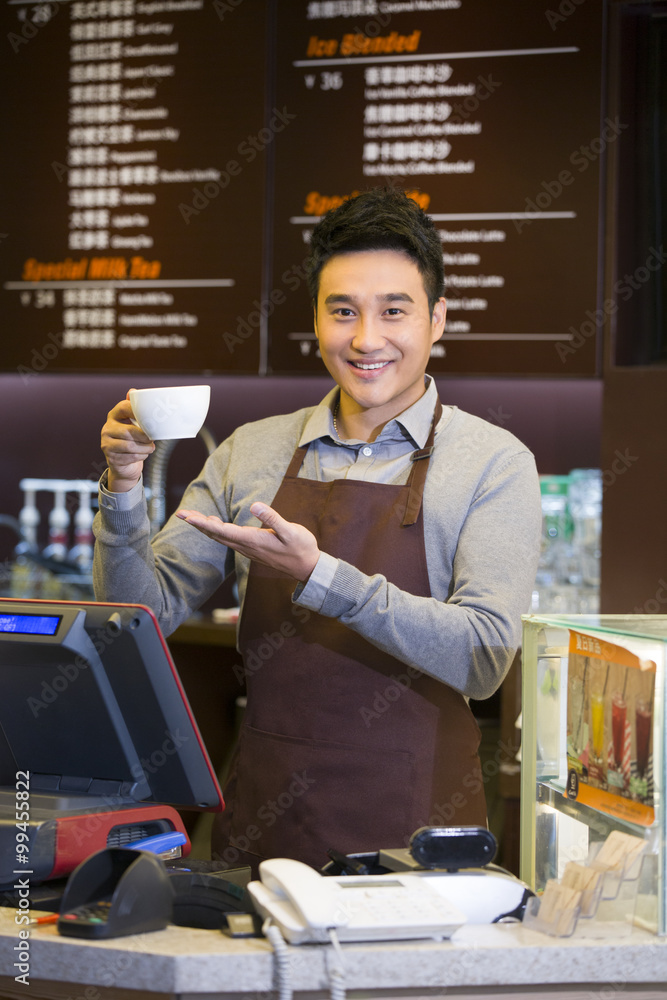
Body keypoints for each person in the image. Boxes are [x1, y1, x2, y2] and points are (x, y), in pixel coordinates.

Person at [94, 187, 542, 871]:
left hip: (414, 843)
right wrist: (122, 490)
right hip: (262, 830)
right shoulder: (252, 449)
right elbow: (138, 614)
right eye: (342, 312)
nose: (366, 339)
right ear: (315, 319)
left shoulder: (491, 463)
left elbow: (482, 660)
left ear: (437, 319)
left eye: (394, 310)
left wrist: (321, 577)